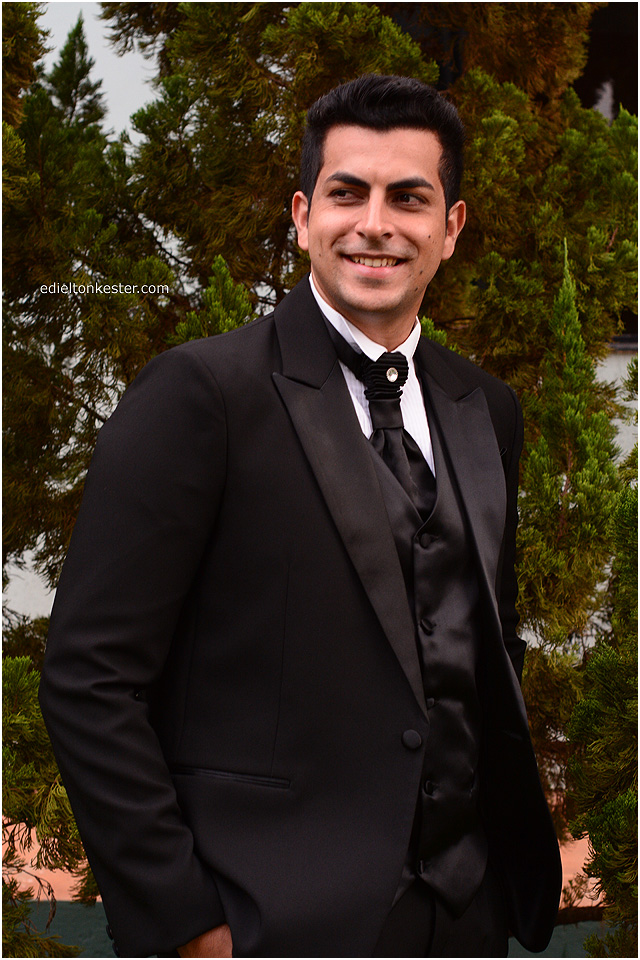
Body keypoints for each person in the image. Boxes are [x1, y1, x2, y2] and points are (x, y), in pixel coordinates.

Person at [39, 74, 562, 958]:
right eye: (346, 193)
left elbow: (482, 646)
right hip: (266, 921)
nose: (374, 224)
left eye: (408, 198)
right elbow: (89, 680)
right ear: (302, 215)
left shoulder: (487, 407)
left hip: (465, 918)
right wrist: (187, 923)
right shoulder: (201, 395)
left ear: (451, 228)